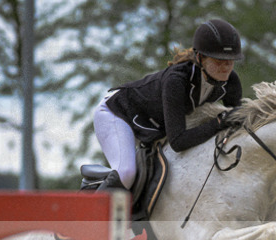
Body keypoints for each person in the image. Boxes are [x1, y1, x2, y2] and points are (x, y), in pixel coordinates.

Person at [93, 18, 244, 191]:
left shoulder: (231, 82)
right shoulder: (177, 80)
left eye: (230, 61)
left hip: (153, 124)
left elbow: (235, 122)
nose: (226, 68)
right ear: (200, 58)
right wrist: (218, 123)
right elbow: (178, 141)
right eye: (219, 61)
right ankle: (90, 215)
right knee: (126, 172)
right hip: (117, 114)